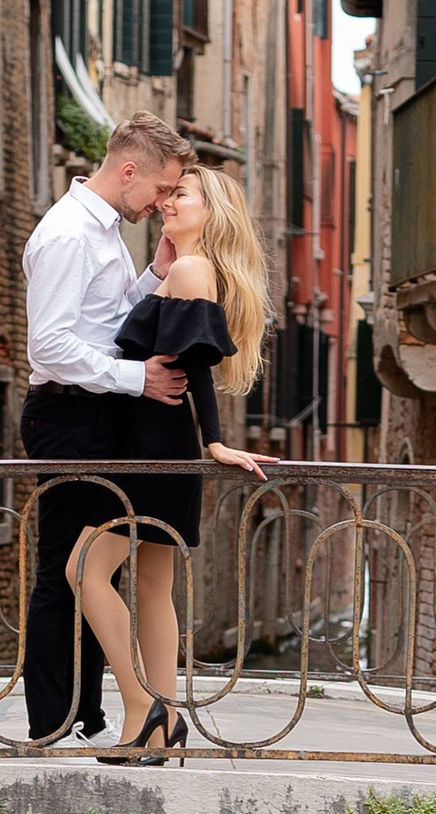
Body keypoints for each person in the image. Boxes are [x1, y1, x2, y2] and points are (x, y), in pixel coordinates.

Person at [71, 165, 271, 762]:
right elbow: (191, 366)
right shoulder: (184, 269)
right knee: (154, 589)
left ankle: (143, 705)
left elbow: (195, 369)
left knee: (83, 570)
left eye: (181, 195)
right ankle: (159, 730)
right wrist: (210, 441)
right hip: (163, 446)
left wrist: (211, 440)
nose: (167, 202)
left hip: (154, 452)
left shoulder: (191, 270)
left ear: (212, 212)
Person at [16, 117, 190, 743]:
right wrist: (135, 380)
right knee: (65, 570)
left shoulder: (105, 232)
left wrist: (152, 277)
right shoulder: (68, 235)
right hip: (68, 415)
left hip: (94, 411)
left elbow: (105, 322)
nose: (163, 202)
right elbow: (54, 345)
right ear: (128, 172)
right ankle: (52, 722)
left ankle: (87, 714)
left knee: (92, 572)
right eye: (161, 188)